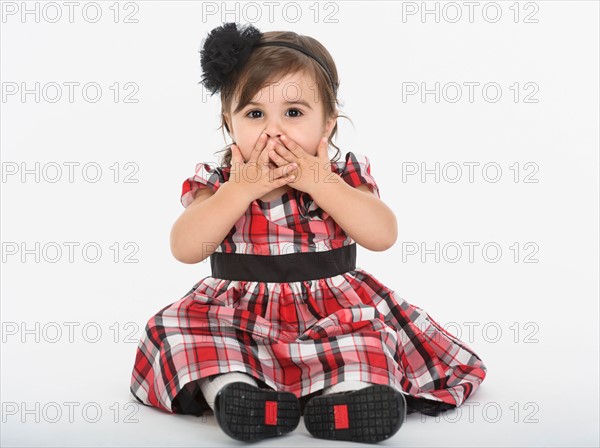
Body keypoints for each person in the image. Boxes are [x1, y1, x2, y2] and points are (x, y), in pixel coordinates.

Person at [129, 22, 487, 444]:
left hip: (332, 315)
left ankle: (351, 397)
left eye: (294, 113)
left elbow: (382, 234)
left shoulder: (340, 175)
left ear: (328, 125)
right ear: (229, 123)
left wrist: (322, 184)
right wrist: (239, 191)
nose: (274, 130)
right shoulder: (221, 180)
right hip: (237, 318)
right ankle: (234, 392)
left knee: (364, 342)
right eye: (255, 114)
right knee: (178, 333)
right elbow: (185, 248)